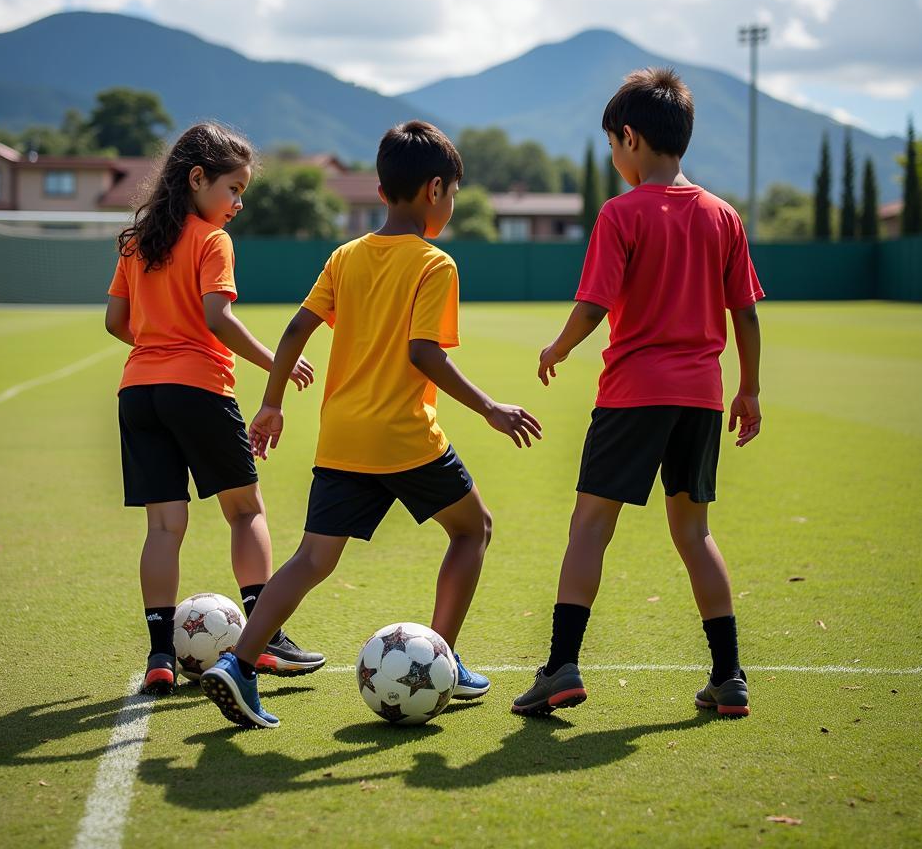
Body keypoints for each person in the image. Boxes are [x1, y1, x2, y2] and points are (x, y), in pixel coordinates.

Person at [200, 119, 542, 728]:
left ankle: (240, 663)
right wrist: (491, 408)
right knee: (472, 530)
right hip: (406, 437)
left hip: (343, 436)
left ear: (382, 190)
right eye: (455, 194)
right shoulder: (435, 264)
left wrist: (272, 402)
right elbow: (424, 355)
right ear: (435, 190)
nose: (453, 206)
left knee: (311, 559)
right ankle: (442, 656)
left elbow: (296, 330)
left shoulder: (345, 256)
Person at [512, 68, 763, 719]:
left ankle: (561, 667)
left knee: (590, 524)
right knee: (694, 532)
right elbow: (747, 315)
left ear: (630, 138)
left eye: (613, 146)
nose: (615, 160)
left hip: (634, 393)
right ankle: (729, 676)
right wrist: (750, 391)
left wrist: (557, 349)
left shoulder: (621, 213)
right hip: (703, 397)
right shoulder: (722, 216)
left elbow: (593, 305)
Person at [104, 121, 324, 695]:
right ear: (198, 179)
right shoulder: (210, 240)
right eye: (233, 188)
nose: (239, 202)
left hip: (139, 393)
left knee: (163, 524)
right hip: (198, 388)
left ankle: (159, 655)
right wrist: (275, 364)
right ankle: (265, 636)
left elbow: (116, 323)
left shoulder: (137, 240)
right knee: (245, 511)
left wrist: (158, 349)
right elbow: (216, 318)